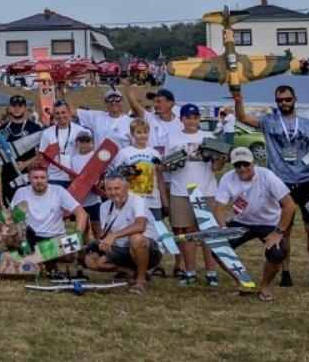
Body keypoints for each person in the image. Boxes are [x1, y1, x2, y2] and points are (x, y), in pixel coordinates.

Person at [233, 84, 309, 288]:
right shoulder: (269, 122)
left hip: (307, 180)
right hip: (280, 182)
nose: (284, 103)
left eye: (287, 99)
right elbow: (243, 118)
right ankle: (285, 272)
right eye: (280, 100)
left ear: (295, 98)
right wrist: (238, 99)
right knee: (284, 229)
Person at [212, 148, 296, 300]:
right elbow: (219, 207)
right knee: (218, 247)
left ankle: (265, 285)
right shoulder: (227, 178)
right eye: (238, 165)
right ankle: (242, 283)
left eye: (246, 164)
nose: (242, 168)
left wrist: (278, 232)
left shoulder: (267, 176)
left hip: (269, 223)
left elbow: (290, 205)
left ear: (253, 163)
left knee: (277, 253)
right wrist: (223, 229)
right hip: (241, 221)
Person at [160, 104, 226, 286]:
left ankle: (211, 272)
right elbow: (165, 166)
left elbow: (215, 167)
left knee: (208, 233)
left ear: (199, 119)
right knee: (187, 232)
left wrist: (221, 158)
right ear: (181, 119)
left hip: (206, 191)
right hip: (180, 191)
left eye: (195, 117)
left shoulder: (209, 137)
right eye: (188, 117)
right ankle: (190, 271)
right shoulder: (172, 137)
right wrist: (168, 164)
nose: (192, 121)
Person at [83, 172, 160, 294]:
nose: (113, 193)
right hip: (122, 248)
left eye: (117, 188)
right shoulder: (104, 207)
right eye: (109, 189)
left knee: (136, 239)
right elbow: (106, 233)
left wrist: (114, 235)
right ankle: (131, 272)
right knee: (90, 260)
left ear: (126, 188)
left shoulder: (137, 200)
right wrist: (99, 244)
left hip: (148, 249)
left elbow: (140, 225)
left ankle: (141, 281)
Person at [10, 161, 88, 274]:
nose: (39, 181)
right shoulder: (21, 192)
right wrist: (18, 228)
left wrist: (76, 234)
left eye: (42, 177)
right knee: (11, 238)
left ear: (48, 178)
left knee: (70, 255)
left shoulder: (58, 191)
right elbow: (14, 217)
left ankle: (38, 259)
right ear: (29, 178)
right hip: (32, 236)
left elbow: (82, 214)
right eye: (35, 177)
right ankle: (43, 260)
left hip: (54, 238)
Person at [110, 118, 164, 222]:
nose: (142, 135)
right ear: (132, 134)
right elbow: (116, 176)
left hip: (153, 201)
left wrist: (164, 202)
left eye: (145, 132)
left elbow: (159, 178)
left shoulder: (154, 154)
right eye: (139, 132)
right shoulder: (125, 153)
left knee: (155, 233)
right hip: (131, 200)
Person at [0, 95, 43, 204]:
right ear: (9, 108)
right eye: (14, 106)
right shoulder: (3, 127)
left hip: (28, 174)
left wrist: (26, 163)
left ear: (25, 108)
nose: (17, 108)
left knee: (29, 206)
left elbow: (42, 154)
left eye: (20, 106)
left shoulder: (34, 128)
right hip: (8, 174)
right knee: (10, 206)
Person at [66, 83, 135, 148]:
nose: (113, 102)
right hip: (100, 160)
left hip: (121, 160)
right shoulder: (96, 117)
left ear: (122, 101)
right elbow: (72, 111)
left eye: (117, 99)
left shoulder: (131, 122)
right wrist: (63, 90)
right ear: (105, 102)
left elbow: (136, 147)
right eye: (110, 99)